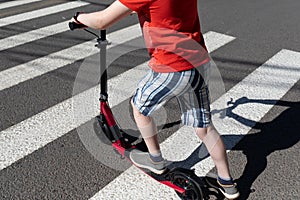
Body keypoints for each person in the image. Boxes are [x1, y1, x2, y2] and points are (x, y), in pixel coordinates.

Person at [71, 0, 240, 199]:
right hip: (199, 63)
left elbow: (102, 21)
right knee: (205, 128)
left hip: (172, 67)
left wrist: (78, 18)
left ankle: (156, 160)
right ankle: (227, 183)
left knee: (139, 108)